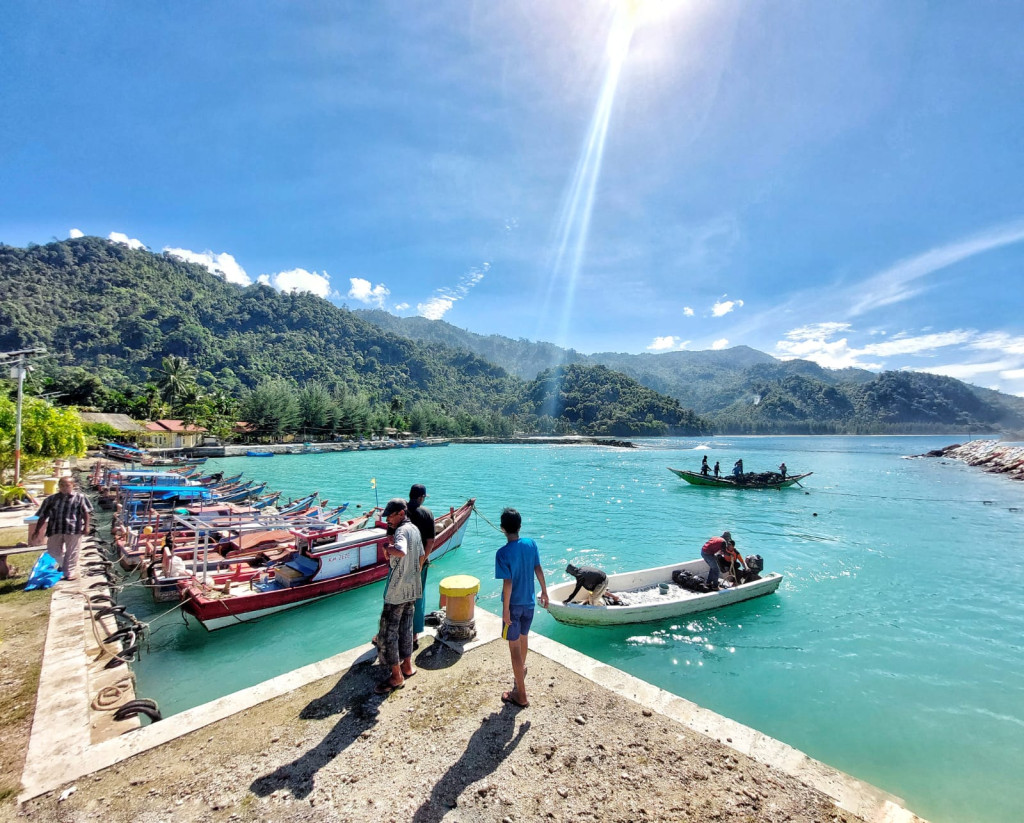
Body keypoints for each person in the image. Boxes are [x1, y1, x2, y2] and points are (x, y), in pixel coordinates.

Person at [494, 507, 549, 709]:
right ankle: (520, 674)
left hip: (514, 606)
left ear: (502, 529)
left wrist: (505, 610)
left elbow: (507, 583)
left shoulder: (502, 553)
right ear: (520, 526)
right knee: (524, 639)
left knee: (513, 648)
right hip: (529, 604)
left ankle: (521, 695)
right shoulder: (530, 544)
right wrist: (544, 591)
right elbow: (538, 568)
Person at [373, 498, 424, 696]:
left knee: (388, 633)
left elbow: (401, 551)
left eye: (391, 516)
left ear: (401, 514)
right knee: (406, 627)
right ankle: (407, 665)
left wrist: (387, 549)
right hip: (412, 588)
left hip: (397, 591)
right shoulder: (416, 530)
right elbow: (420, 555)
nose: (388, 520)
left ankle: (396, 676)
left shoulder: (402, 531)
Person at [30, 476, 93, 582]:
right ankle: (64, 566)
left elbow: (86, 513)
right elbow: (43, 516)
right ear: (59, 486)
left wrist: (86, 526)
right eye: (62, 485)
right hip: (55, 528)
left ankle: (69, 573)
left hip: (73, 529)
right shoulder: (50, 499)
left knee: (72, 552)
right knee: (52, 550)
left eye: (67, 485)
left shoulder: (80, 497)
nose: (64, 488)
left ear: (73, 486)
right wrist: (37, 530)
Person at [407, 483, 435, 648]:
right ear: (421, 497)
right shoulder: (426, 513)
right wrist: (421, 561)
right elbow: (430, 542)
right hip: (418, 561)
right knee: (418, 596)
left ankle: (393, 629)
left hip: (400, 560)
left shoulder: (401, 510)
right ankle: (414, 634)